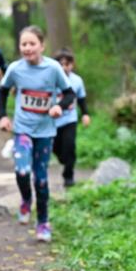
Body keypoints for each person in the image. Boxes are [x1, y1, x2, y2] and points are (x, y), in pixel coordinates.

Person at [0, 26, 76, 243]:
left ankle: (43, 222)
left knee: (40, 179)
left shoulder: (53, 69)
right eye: (24, 44)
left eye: (32, 43)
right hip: (22, 128)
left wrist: (59, 106)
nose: (27, 48)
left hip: (45, 131)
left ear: (42, 45)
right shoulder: (15, 68)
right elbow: (3, 92)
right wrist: (3, 116)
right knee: (22, 171)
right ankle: (25, 199)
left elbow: (70, 94)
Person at [52, 48, 90, 188]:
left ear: (72, 65)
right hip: (53, 121)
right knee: (56, 148)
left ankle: (69, 176)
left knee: (70, 146)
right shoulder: (51, 80)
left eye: (67, 64)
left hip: (70, 120)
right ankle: (63, 159)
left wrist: (85, 114)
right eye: (61, 64)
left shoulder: (77, 81)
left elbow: (81, 99)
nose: (64, 67)